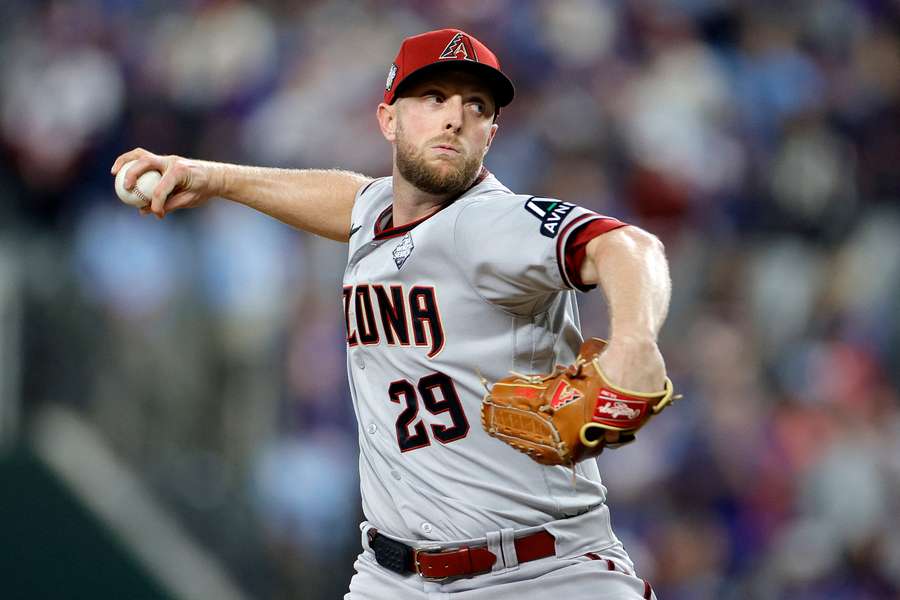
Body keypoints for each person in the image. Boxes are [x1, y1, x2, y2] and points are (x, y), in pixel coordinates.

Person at [112, 28, 670, 600]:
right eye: (433, 98)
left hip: (543, 574)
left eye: (476, 105)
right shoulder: (377, 213)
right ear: (388, 120)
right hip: (393, 577)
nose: (455, 117)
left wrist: (634, 341)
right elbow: (350, 200)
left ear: (491, 135)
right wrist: (215, 177)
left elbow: (629, 247)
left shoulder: (494, 224)